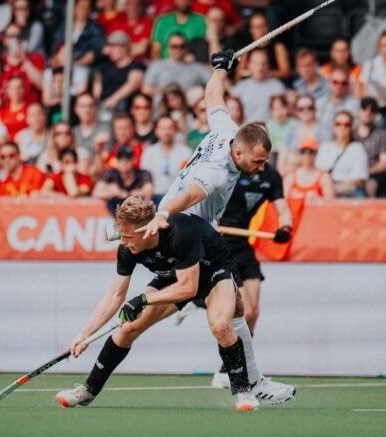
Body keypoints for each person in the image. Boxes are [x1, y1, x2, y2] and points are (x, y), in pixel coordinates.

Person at [137, 49, 295, 405]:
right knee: (220, 314)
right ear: (239, 154)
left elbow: (212, 96)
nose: (261, 168)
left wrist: (220, 69)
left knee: (235, 308)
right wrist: (164, 213)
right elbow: (193, 192)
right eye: (258, 162)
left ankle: (251, 381)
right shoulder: (219, 171)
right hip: (190, 233)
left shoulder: (227, 131)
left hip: (186, 229)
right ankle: (249, 382)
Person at [55, 197, 262, 411]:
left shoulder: (180, 232)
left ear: (148, 231)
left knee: (220, 325)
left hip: (213, 270)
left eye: (128, 237)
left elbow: (188, 288)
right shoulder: (127, 247)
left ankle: (243, 391)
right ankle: (88, 390)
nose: (123, 241)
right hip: (174, 274)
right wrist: (84, 335)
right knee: (127, 329)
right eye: (122, 235)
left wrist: (143, 300)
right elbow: (115, 295)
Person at [206, 161, 292, 388]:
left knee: (253, 313)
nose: (261, 164)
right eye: (258, 159)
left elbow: (283, 210)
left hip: (244, 246)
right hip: (223, 245)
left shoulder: (271, 175)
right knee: (242, 310)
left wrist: (286, 227)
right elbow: (208, 202)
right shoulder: (229, 170)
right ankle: (228, 370)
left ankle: (229, 368)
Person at [316, 110, 369, 198]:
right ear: (333, 126)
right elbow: (317, 173)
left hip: (347, 194)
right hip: (324, 192)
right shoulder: (325, 147)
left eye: (346, 125)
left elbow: (359, 180)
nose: (342, 127)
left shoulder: (357, 149)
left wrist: (333, 185)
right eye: (338, 124)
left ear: (351, 128)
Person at [142, 32, 210, 98]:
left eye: (182, 46)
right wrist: (171, 95)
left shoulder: (197, 67)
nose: (178, 49)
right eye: (174, 46)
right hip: (163, 103)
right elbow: (146, 89)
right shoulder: (156, 65)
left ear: (187, 48)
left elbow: (213, 81)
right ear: (168, 47)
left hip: (188, 104)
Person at [140, 115, 192, 200]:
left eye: (170, 128)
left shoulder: (186, 152)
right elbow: (144, 176)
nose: (167, 132)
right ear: (156, 131)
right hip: (154, 197)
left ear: (175, 130)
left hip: (178, 198)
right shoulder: (148, 152)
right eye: (163, 128)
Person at [277, 95, 330, 176]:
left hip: (315, 174)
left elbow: (324, 160)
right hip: (290, 174)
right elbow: (281, 162)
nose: (305, 111)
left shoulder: (324, 131)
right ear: (296, 111)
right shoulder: (291, 129)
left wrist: (297, 159)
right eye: (301, 109)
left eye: (309, 108)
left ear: (315, 110)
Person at [94, 31, 146, 112]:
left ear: (124, 48)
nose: (110, 50)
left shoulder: (136, 66)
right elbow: (97, 85)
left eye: (114, 47)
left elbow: (132, 85)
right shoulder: (105, 66)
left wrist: (113, 100)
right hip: (104, 104)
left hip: (124, 104)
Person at [230, 49, 286, 124]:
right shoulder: (239, 88)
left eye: (263, 64)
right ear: (248, 65)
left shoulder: (278, 87)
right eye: (256, 64)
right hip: (244, 130)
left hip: (269, 130)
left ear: (268, 65)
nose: (260, 68)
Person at [92, 145, 154, 213]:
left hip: (138, 212)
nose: (124, 162)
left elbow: (149, 192)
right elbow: (96, 192)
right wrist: (115, 192)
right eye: (120, 159)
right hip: (116, 212)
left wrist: (128, 195)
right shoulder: (110, 173)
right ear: (116, 161)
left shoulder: (143, 174)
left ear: (134, 160)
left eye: (127, 159)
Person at [233, 12, 290, 81]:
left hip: (272, 83)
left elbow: (285, 73)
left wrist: (265, 73)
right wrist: (251, 73)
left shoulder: (278, 47)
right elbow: (238, 77)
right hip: (252, 85)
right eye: (256, 27)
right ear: (251, 29)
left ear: (268, 27)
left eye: (263, 26)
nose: (260, 30)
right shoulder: (246, 50)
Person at [356, 98, 386, 198]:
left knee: (370, 185)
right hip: (351, 174)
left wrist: (365, 172)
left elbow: (385, 163)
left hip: (374, 175)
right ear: (359, 111)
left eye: (372, 110)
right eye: (364, 108)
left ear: (376, 114)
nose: (368, 113)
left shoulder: (383, 135)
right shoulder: (351, 134)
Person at [73, 93, 112, 158]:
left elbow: (106, 157)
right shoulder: (73, 132)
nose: (87, 110)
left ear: (96, 108)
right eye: (83, 106)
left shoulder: (106, 129)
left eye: (91, 106)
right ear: (76, 109)